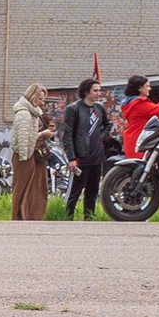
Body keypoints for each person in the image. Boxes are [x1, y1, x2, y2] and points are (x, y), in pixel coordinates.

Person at [60, 78, 114, 219]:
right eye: (95, 90)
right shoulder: (74, 109)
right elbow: (67, 135)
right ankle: (67, 216)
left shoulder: (99, 108)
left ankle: (89, 217)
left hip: (97, 155)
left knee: (93, 189)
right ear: (86, 92)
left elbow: (108, 124)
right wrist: (71, 158)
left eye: (99, 90)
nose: (98, 93)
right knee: (75, 190)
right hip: (81, 156)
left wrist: (101, 136)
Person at [10, 84, 50, 220]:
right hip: (25, 156)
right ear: (33, 98)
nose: (42, 102)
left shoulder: (30, 113)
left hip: (28, 154)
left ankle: (26, 215)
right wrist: (25, 157)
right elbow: (23, 138)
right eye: (40, 99)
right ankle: (19, 216)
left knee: (29, 189)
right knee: (22, 189)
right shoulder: (24, 114)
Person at [118, 74, 159, 159]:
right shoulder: (140, 103)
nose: (150, 88)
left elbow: (153, 109)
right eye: (147, 86)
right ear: (139, 88)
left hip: (132, 138)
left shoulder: (130, 102)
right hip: (141, 139)